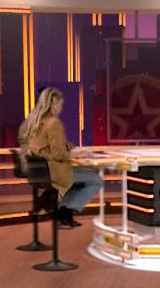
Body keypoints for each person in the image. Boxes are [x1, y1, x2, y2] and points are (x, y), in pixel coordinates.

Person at [18, 87, 102, 228]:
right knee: (96, 180)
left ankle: (62, 212)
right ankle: (63, 209)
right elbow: (58, 154)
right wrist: (75, 154)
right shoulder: (54, 123)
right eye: (60, 104)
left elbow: (47, 145)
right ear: (53, 104)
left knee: (82, 178)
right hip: (55, 171)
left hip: (40, 172)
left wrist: (69, 147)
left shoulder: (36, 122)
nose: (61, 108)